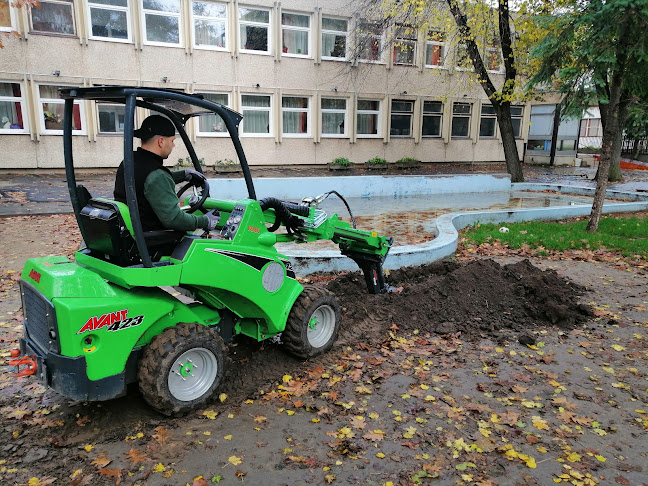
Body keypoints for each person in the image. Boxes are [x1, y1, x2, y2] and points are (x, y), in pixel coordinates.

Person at [113, 115, 219, 232]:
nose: (173, 145)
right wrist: (205, 221)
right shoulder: (157, 175)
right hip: (157, 242)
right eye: (172, 141)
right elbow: (174, 219)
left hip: (133, 233)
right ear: (161, 141)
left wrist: (183, 175)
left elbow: (146, 183)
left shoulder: (130, 161)